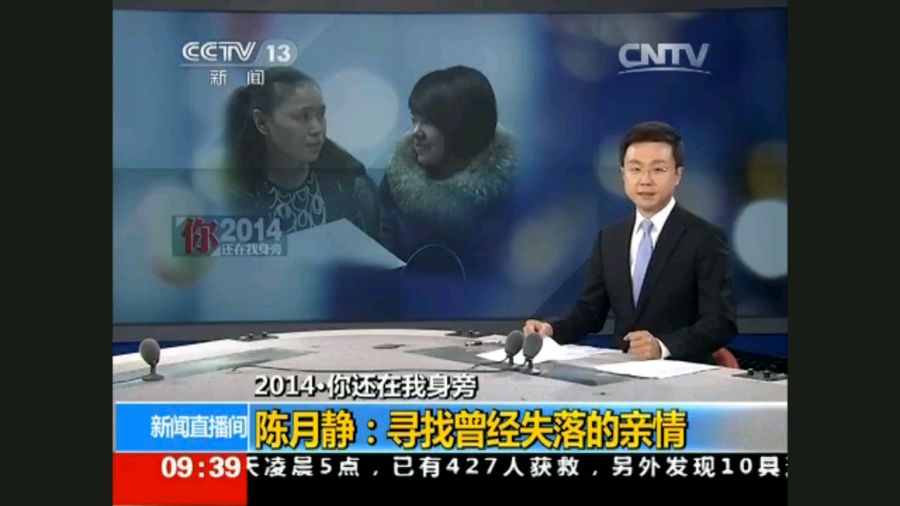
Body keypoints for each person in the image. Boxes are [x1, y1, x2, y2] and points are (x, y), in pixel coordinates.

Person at [523, 121, 736, 364]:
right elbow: (590, 312)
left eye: (658, 170)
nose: (645, 180)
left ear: (678, 175)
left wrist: (662, 347)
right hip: (622, 373)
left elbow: (721, 323)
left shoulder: (705, 237)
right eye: (636, 169)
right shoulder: (610, 238)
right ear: (623, 174)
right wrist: (552, 330)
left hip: (684, 373)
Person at [379, 65, 517, 279]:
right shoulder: (394, 186)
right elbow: (382, 268)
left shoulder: (517, 190)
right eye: (414, 119)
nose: (415, 132)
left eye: (429, 122)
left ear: (465, 126)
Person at [221, 67, 380, 238]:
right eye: (303, 117)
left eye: (321, 115)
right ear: (262, 122)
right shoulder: (231, 197)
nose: (317, 129)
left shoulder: (352, 187)